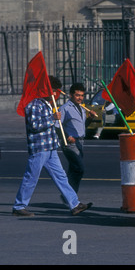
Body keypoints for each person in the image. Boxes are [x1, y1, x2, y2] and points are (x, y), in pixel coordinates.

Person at [12, 76, 92, 217]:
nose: (56, 94)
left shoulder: (48, 104)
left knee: (61, 177)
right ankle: (19, 206)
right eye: (55, 90)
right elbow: (35, 126)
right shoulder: (35, 105)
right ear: (48, 90)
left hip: (50, 147)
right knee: (31, 177)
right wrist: (52, 118)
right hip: (40, 147)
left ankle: (74, 204)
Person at [58, 83, 97, 194]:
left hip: (80, 142)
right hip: (70, 144)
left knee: (73, 170)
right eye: (77, 95)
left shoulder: (82, 108)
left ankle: (68, 196)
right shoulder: (65, 108)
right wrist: (67, 136)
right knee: (79, 169)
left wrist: (90, 119)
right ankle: (71, 195)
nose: (80, 98)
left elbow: (82, 127)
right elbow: (57, 126)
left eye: (82, 95)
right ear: (71, 95)